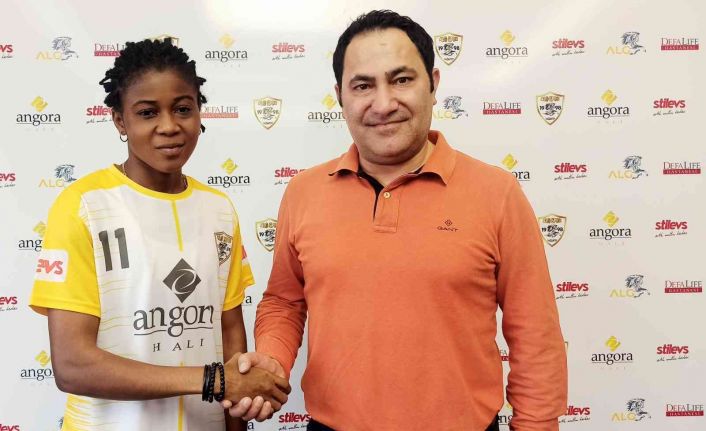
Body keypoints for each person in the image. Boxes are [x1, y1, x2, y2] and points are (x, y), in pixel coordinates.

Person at [227, 10, 567, 431]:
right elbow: (284, 300)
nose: (384, 104)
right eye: (363, 86)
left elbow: (535, 335)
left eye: (402, 80)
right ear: (340, 96)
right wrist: (272, 358)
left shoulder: (497, 193)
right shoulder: (303, 192)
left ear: (434, 85)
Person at [29, 38, 289, 431]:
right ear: (120, 121)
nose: (169, 126)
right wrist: (215, 380)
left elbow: (229, 331)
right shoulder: (83, 206)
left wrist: (235, 413)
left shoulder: (219, 209)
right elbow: (72, 365)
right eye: (148, 112)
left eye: (183, 109)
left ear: (199, 112)